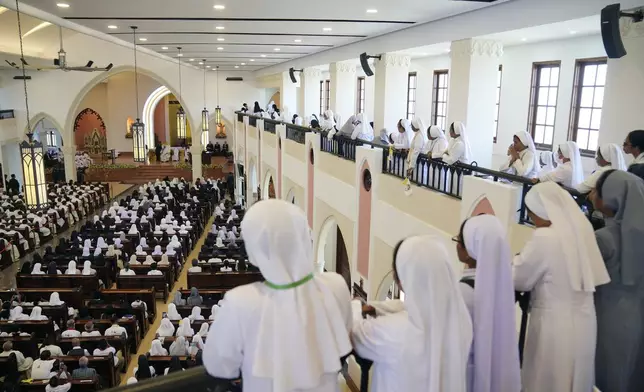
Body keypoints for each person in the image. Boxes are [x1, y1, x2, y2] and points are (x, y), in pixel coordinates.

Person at [204, 200, 352, 391]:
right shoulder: (336, 286)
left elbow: (220, 365)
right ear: (304, 238)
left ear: (255, 250)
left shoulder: (240, 302)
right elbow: (345, 333)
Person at [513, 182, 610, 392]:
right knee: (575, 380)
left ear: (541, 210)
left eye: (532, 213)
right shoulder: (581, 233)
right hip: (585, 322)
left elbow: (519, 278)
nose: (532, 219)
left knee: (548, 380)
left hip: (554, 324)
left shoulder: (545, 237)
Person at [352, 235, 472, 392]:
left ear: (400, 280)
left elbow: (355, 332)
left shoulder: (395, 331)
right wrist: (380, 308)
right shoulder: (460, 321)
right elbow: (412, 308)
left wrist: (355, 305)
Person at [589, 170, 644, 392]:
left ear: (610, 197)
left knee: (608, 372)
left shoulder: (604, 238)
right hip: (638, 311)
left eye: (596, 190)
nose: (592, 194)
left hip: (609, 314)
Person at [454, 215, 521, 392]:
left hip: (467, 375)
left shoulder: (463, 292)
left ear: (468, 251)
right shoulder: (503, 286)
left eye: (458, 240)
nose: (457, 245)